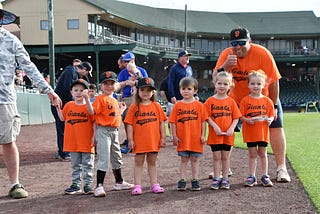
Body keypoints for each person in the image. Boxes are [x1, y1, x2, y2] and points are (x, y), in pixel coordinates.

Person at [213, 27, 291, 182]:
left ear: (249, 41)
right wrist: (226, 66)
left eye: (241, 42)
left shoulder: (262, 53)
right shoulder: (227, 54)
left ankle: (281, 168)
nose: (237, 47)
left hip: (263, 97)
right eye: (234, 43)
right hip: (236, 98)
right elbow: (216, 79)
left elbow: (274, 81)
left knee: (275, 126)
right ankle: (224, 167)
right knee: (224, 128)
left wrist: (273, 106)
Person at [0, 7, 61, 199]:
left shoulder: (11, 40)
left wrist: (48, 90)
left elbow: (29, 67)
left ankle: (15, 183)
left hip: (5, 99)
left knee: (9, 141)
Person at [92, 71, 133, 197]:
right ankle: (99, 186)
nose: (109, 86)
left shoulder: (114, 99)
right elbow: (93, 113)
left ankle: (119, 182)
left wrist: (121, 111)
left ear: (116, 85)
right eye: (106, 84)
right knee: (104, 157)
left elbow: (113, 116)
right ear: (101, 86)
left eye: (112, 83)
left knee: (116, 156)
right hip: (103, 130)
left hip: (114, 131)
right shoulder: (100, 98)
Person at [125, 77, 167, 195]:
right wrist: (130, 139)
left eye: (148, 90)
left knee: (152, 162)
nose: (145, 93)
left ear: (153, 92)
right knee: (139, 162)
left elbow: (162, 123)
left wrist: (163, 138)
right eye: (142, 90)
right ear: (137, 90)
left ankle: (154, 184)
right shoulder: (134, 106)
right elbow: (129, 124)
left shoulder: (157, 106)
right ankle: (137, 185)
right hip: (139, 140)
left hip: (153, 140)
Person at [54, 79, 95, 194]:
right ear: (71, 92)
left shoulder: (89, 105)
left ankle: (88, 184)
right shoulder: (69, 105)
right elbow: (62, 118)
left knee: (88, 164)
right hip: (73, 141)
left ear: (88, 92)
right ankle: (75, 184)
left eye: (82, 90)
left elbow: (91, 113)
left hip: (86, 141)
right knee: (75, 164)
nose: (78, 92)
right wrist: (58, 107)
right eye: (76, 90)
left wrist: (87, 99)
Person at [204, 71, 241, 190]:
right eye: (219, 83)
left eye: (225, 84)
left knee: (225, 157)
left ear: (229, 86)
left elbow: (236, 117)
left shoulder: (231, 101)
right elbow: (207, 117)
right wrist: (215, 126)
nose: (222, 86)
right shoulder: (210, 100)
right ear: (215, 84)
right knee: (216, 157)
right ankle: (216, 177)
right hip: (215, 135)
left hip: (228, 135)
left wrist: (231, 128)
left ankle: (225, 178)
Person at [169, 77, 207, 191]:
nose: (186, 91)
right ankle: (182, 179)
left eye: (189, 89)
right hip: (183, 138)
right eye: (183, 88)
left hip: (195, 138)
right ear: (180, 90)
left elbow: (203, 122)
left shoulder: (199, 105)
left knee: (195, 159)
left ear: (195, 91)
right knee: (184, 159)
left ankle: (195, 179)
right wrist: (174, 136)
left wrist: (203, 135)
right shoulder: (177, 105)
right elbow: (172, 122)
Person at [239, 70, 275, 187]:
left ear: (263, 85)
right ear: (248, 85)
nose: (255, 86)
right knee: (252, 154)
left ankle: (265, 175)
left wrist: (270, 119)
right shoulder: (245, 100)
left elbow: (271, 115)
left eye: (258, 84)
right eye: (253, 83)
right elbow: (241, 116)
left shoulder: (267, 100)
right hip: (250, 132)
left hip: (263, 133)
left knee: (263, 154)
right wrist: (247, 120)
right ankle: (251, 176)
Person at [51, 59, 92, 160]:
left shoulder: (73, 72)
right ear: (85, 69)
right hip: (60, 104)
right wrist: (75, 103)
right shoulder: (71, 71)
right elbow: (67, 89)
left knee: (64, 128)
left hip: (64, 104)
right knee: (62, 129)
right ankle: (63, 153)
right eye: (86, 72)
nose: (84, 75)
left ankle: (64, 151)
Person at [117, 52, 148, 153]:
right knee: (128, 121)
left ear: (133, 60)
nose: (126, 63)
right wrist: (126, 82)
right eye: (124, 61)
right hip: (127, 98)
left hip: (139, 97)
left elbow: (147, 83)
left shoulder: (141, 70)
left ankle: (141, 142)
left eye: (128, 61)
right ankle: (129, 143)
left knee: (140, 121)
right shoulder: (123, 73)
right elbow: (117, 86)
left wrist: (135, 82)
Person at [159, 76, 174, 141]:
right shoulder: (167, 80)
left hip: (172, 102)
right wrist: (165, 100)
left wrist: (165, 100)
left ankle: (172, 136)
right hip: (172, 102)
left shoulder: (166, 80)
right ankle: (173, 135)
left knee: (171, 120)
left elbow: (162, 92)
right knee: (173, 120)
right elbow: (162, 92)